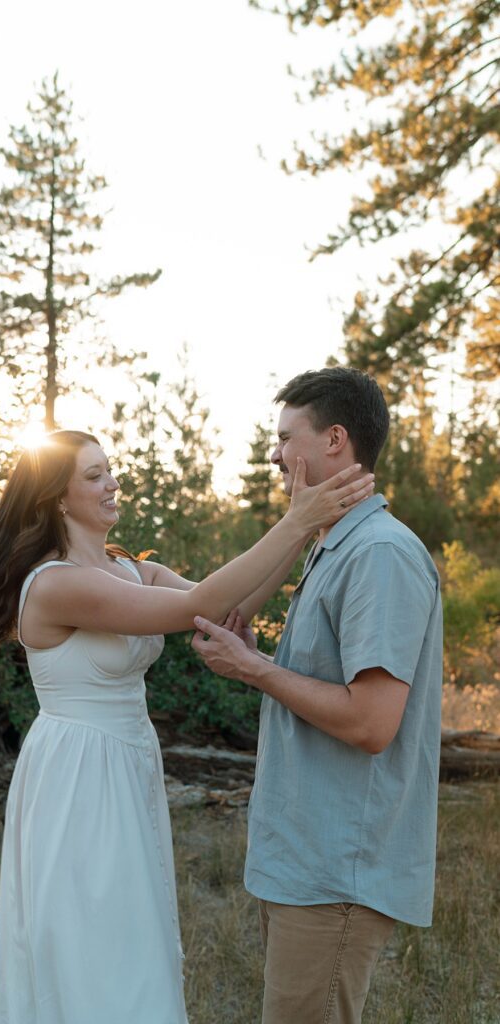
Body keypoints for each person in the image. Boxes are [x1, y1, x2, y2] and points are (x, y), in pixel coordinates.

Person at [0, 428, 374, 1024]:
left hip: (129, 762)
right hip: (76, 774)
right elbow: (191, 609)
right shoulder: (55, 584)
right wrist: (295, 522)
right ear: (57, 496)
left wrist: (301, 521)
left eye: (111, 470)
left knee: (135, 938)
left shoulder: (129, 571)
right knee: (91, 947)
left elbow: (227, 607)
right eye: (94, 476)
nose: (112, 484)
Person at [191, 367, 443, 1024]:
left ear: (333, 440)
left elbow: (370, 723)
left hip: (338, 875)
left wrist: (255, 670)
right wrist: (299, 529)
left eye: (283, 437)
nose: (273, 454)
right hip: (306, 864)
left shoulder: (380, 554)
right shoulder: (333, 547)